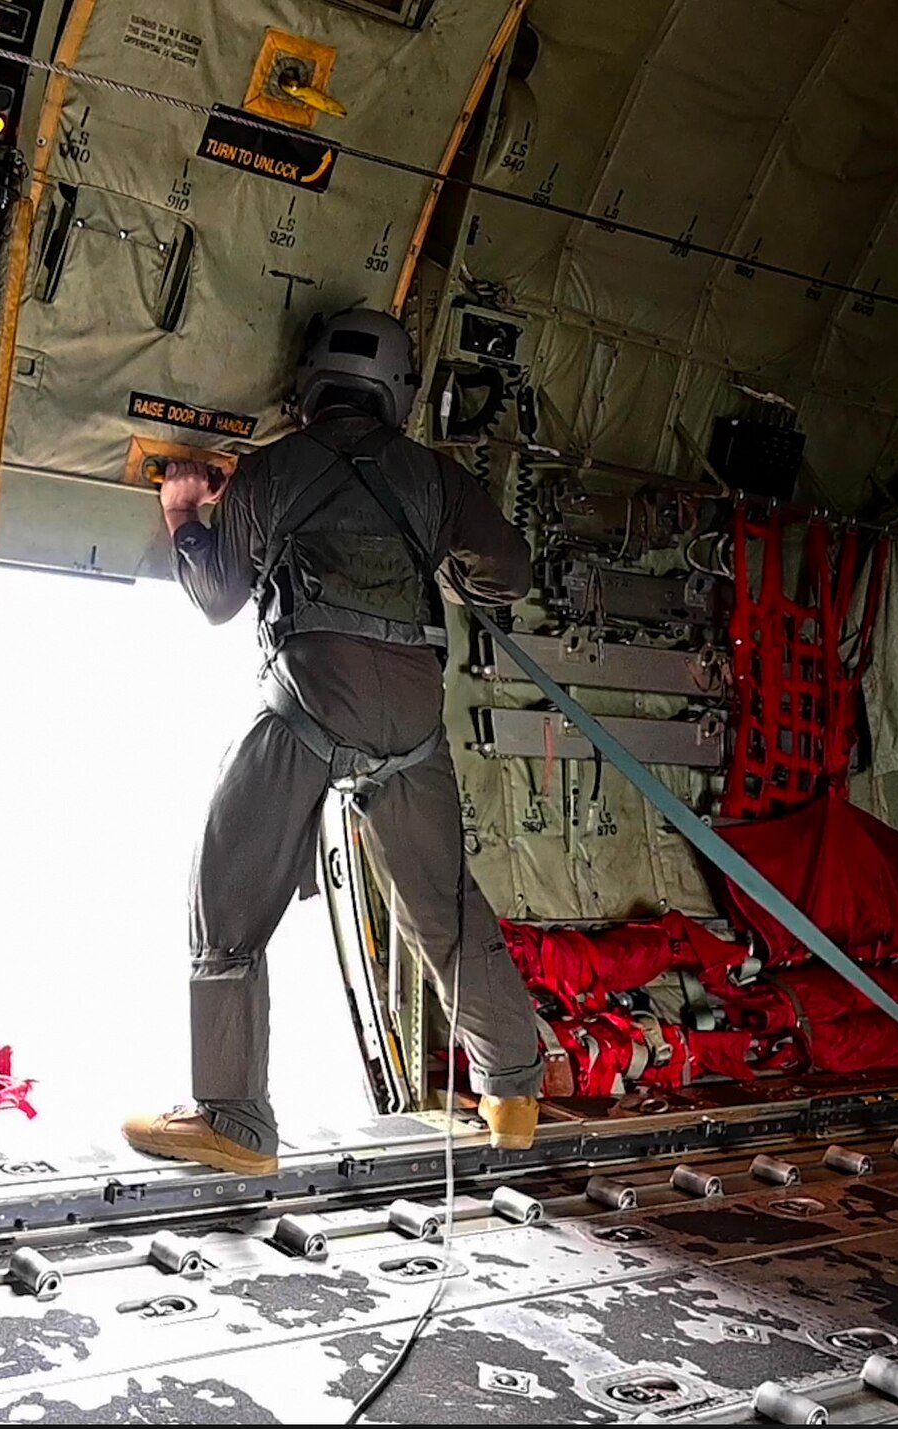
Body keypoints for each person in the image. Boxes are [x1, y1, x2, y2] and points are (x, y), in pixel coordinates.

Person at [123, 306, 545, 1175]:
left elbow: (218, 601)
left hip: (311, 704)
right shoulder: (437, 476)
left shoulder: (271, 471)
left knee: (226, 896)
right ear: (397, 389)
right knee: (446, 908)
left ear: (310, 381)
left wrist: (186, 519)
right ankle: (511, 1095)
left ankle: (232, 1118)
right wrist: (447, 566)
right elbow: (511, 572)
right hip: (415, 724)